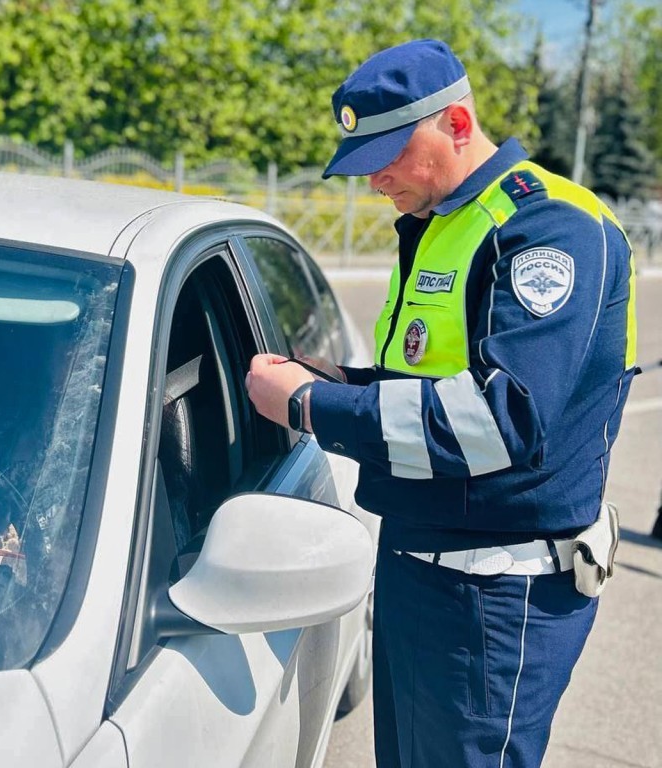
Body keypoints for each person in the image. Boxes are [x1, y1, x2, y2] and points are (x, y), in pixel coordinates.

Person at [245, 39, 637, 768]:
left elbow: (499, 420)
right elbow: (428, 386)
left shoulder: (548, 229)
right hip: (425, 571)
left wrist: (310, 409)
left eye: (389, 155)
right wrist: (340, 383)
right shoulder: (444, 221)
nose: (375, 179)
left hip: (494, 594)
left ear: (457, 124)